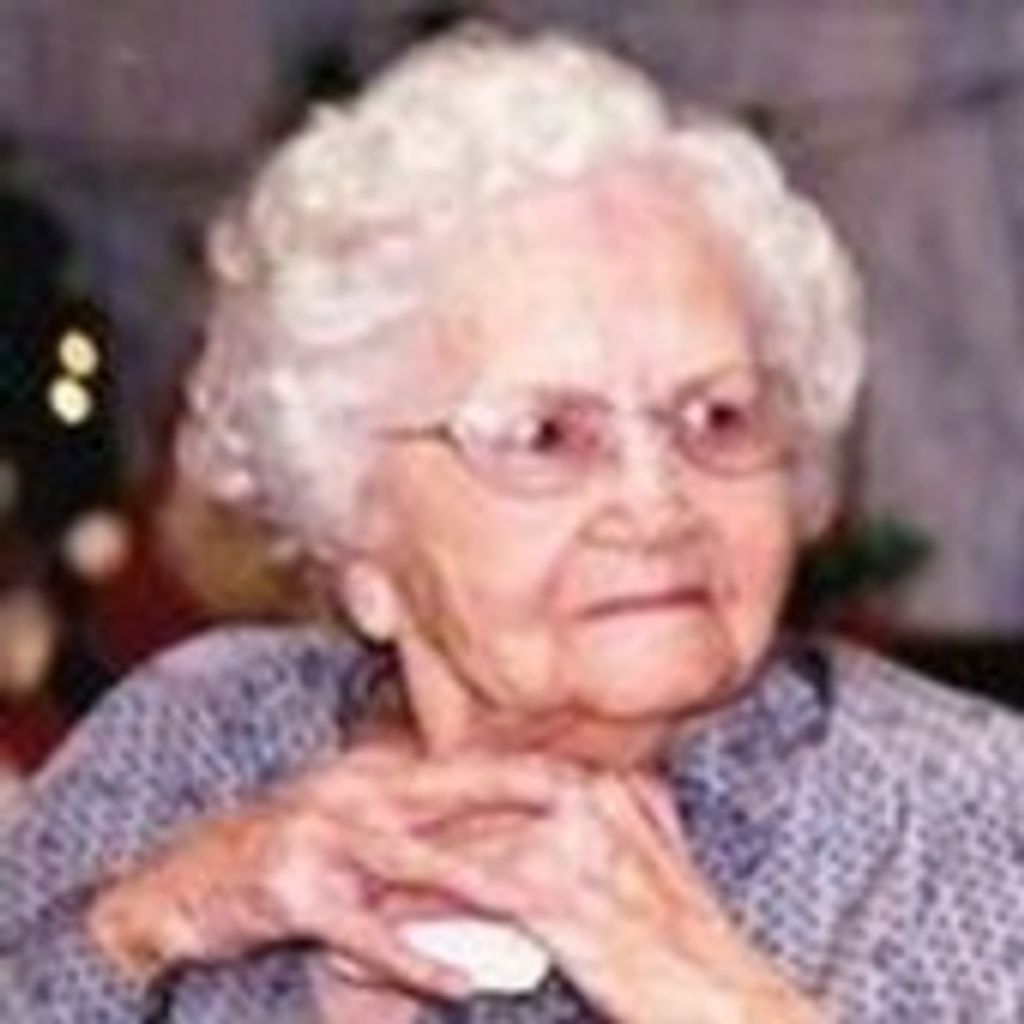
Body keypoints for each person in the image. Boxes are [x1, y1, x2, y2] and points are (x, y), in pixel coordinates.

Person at [2, 24, 1023, 1024]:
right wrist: (149, 921)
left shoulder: (958, 820)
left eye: (716, 416)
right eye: (546, 435)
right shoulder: (195, 739)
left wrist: (717, 1000)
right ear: (357, 529)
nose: (655, 502)